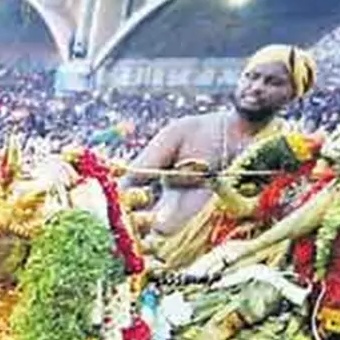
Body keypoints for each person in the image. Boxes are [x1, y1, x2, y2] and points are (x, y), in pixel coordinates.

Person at [129, 45, 315, 264]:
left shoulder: (294, 150)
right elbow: (128, 182)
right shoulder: (187, 129)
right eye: (251, 76)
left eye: (273, 82)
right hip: (156, 258)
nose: (255, 87)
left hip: (231, 272)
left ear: (293, 94)